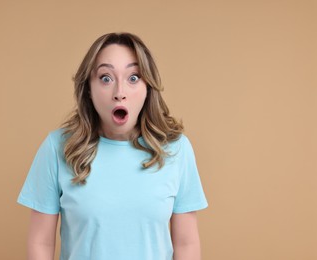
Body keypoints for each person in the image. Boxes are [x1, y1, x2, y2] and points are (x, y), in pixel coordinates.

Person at [17, 32, 208, 260]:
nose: (120, 93)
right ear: (88, 88)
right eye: (106, 78)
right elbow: (41, 242)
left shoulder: (176, 150)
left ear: (148, 88)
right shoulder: (58, 147)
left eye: (133, 77)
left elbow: (187, 243)